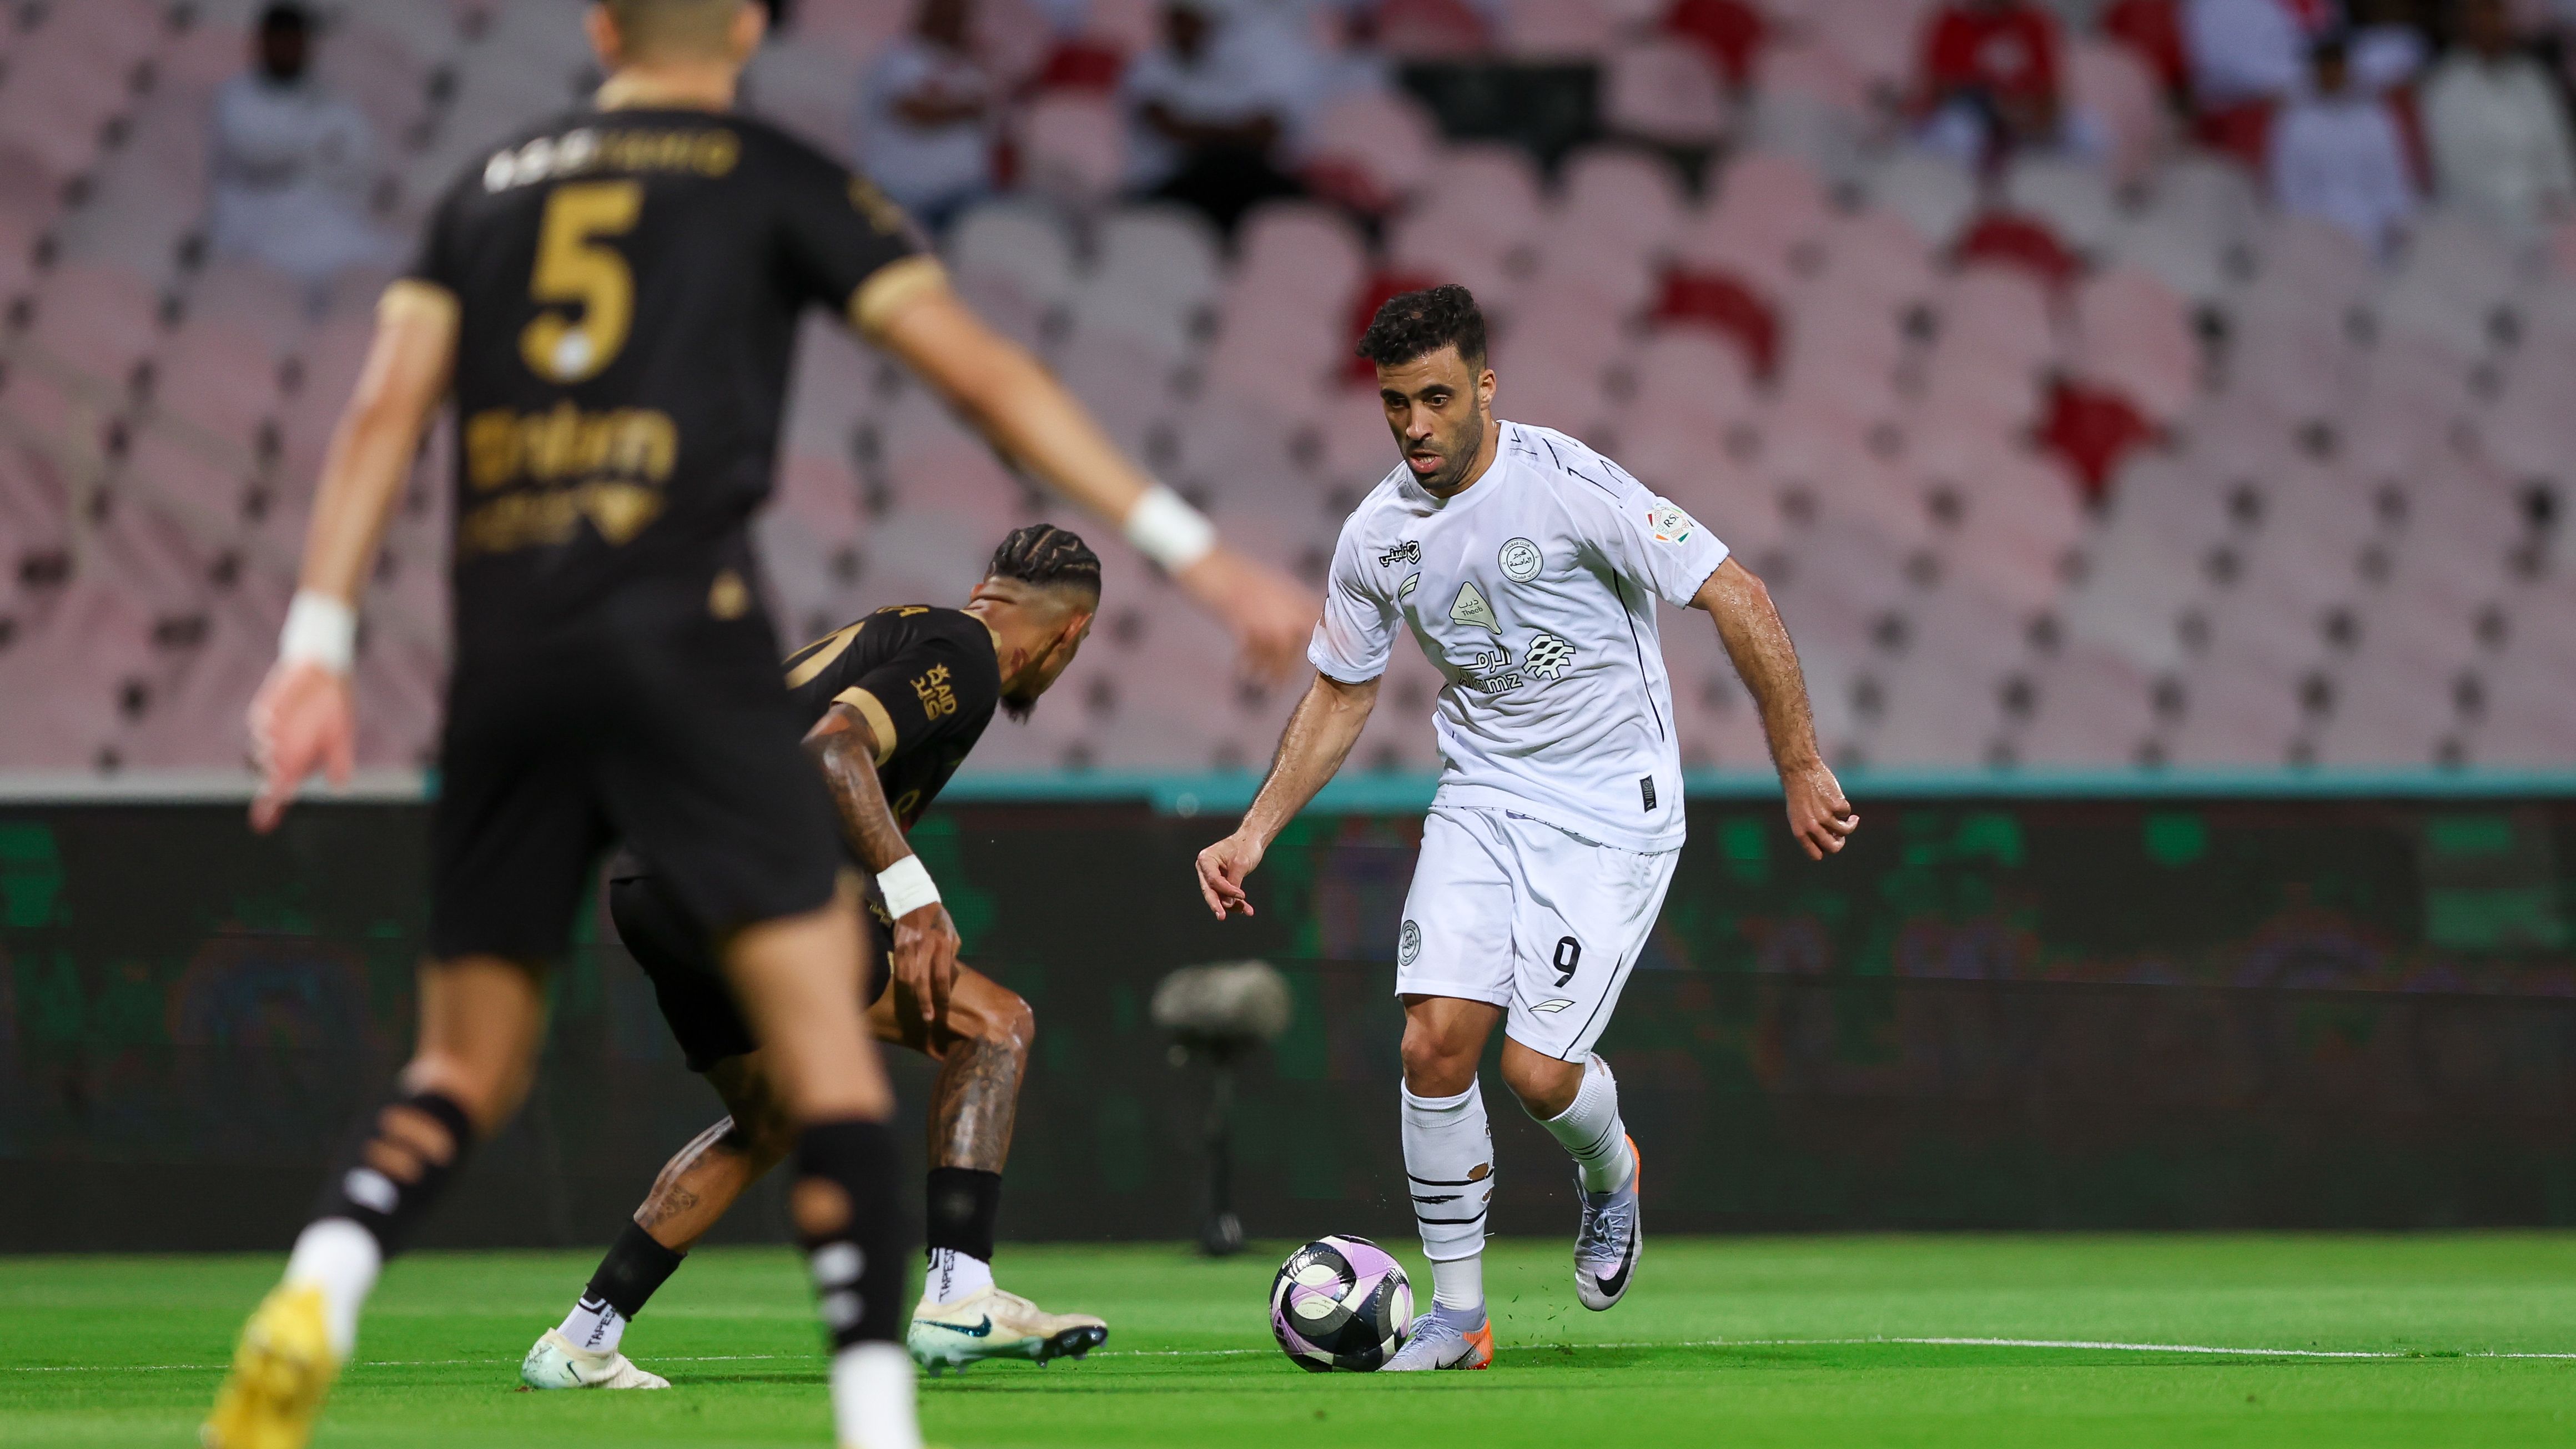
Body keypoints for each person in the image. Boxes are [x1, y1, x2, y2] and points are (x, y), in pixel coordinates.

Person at [204, 2, 1312, 1447]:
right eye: (1076, 641)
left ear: (598, 23)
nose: (1062, 666)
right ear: (743, 25)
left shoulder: (484, 187)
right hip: (707, 765)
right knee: (988, 1031)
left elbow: (376, 417)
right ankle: (942, 1316)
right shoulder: (963, 646)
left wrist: (316, 643)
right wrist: (1196, 555)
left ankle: (532, 1321)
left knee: (601, 1087)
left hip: (548, 721)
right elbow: (840, 725)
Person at [1191, 286, 1857, 1372]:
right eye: (1395, 403)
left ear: (1487, 386)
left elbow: (1736, 593)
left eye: (1437, 398)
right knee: (1431, 1042)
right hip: (1483, 800)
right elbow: (1342, 690)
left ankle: (1609, 1173)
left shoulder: (1572, 487)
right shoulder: (1377, 536)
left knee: (1539, 1075)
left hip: (1609, 813)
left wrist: (1796, 762)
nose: (1414, 425)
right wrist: (1256, 830)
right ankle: (1459, 1319)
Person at [521, 526, 1110, 1391]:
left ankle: (581, 1340)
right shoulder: (965, 652)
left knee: (770, 1119)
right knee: (995, 1025)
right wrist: (912, 897)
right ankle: (958, 1291)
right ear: (1070, 634)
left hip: (652, 876)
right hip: (735, 871)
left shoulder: (904, 634)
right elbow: (831, 747)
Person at [207, 2, 399, 290]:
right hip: (255, 228)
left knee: (387, 258)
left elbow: (356, 156)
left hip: (316, 217)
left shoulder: (329, 99)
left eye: (295, 41)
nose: (288, 49)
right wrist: (314, 143)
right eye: (280, 40)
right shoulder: (235, 98)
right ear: (263, 43)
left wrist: (309, 145)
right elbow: (260, 151)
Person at [1120, 0, 1306, 233]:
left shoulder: (1228, 69)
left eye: (1199, 22)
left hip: (1224, 182)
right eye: (1184, 20)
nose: (1192, 29)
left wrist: (1205, 134)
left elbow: (1268, 131)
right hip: (1167, 180)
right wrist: (1234, 135)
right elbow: (1170, 128)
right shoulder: (1149, 67)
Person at [2423, 0, 2576, 233]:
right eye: (2482, 17)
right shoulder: (2442, 90)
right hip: (2481, 226)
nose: (2494, 26)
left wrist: (2559, 201)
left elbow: (2559, 152)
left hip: (2551, 216)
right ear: (2463, 24)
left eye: (2498, 16)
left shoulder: (2532, 77)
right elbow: (2456, 174)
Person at [2270, 34, 2419, 254]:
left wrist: (2395, 226)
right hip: (2318, 237)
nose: (2333, 75)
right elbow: (2290, 193)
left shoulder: (2375, 119)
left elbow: (2393, 184)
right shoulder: (2295, 125)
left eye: (2338, 67)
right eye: (2326, 69)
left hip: (2374, 233)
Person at [856, 0, 995, 235]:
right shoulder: (900, 56)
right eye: (946, 13)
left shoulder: (969, 68)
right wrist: (967, 109)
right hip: (902, 196)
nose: (952, 22)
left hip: (962, 199)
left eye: (959, 16)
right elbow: (914, 112)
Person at [1914, 0, 2066, 167]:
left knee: (2085, 135)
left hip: (2023, 117)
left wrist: (2028, 114)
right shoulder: (1955, 21)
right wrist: (1991, 103)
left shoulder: (2033, 22)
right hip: (1970, 114)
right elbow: (1938, 88)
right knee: (1957, 133)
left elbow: (2049, 90)